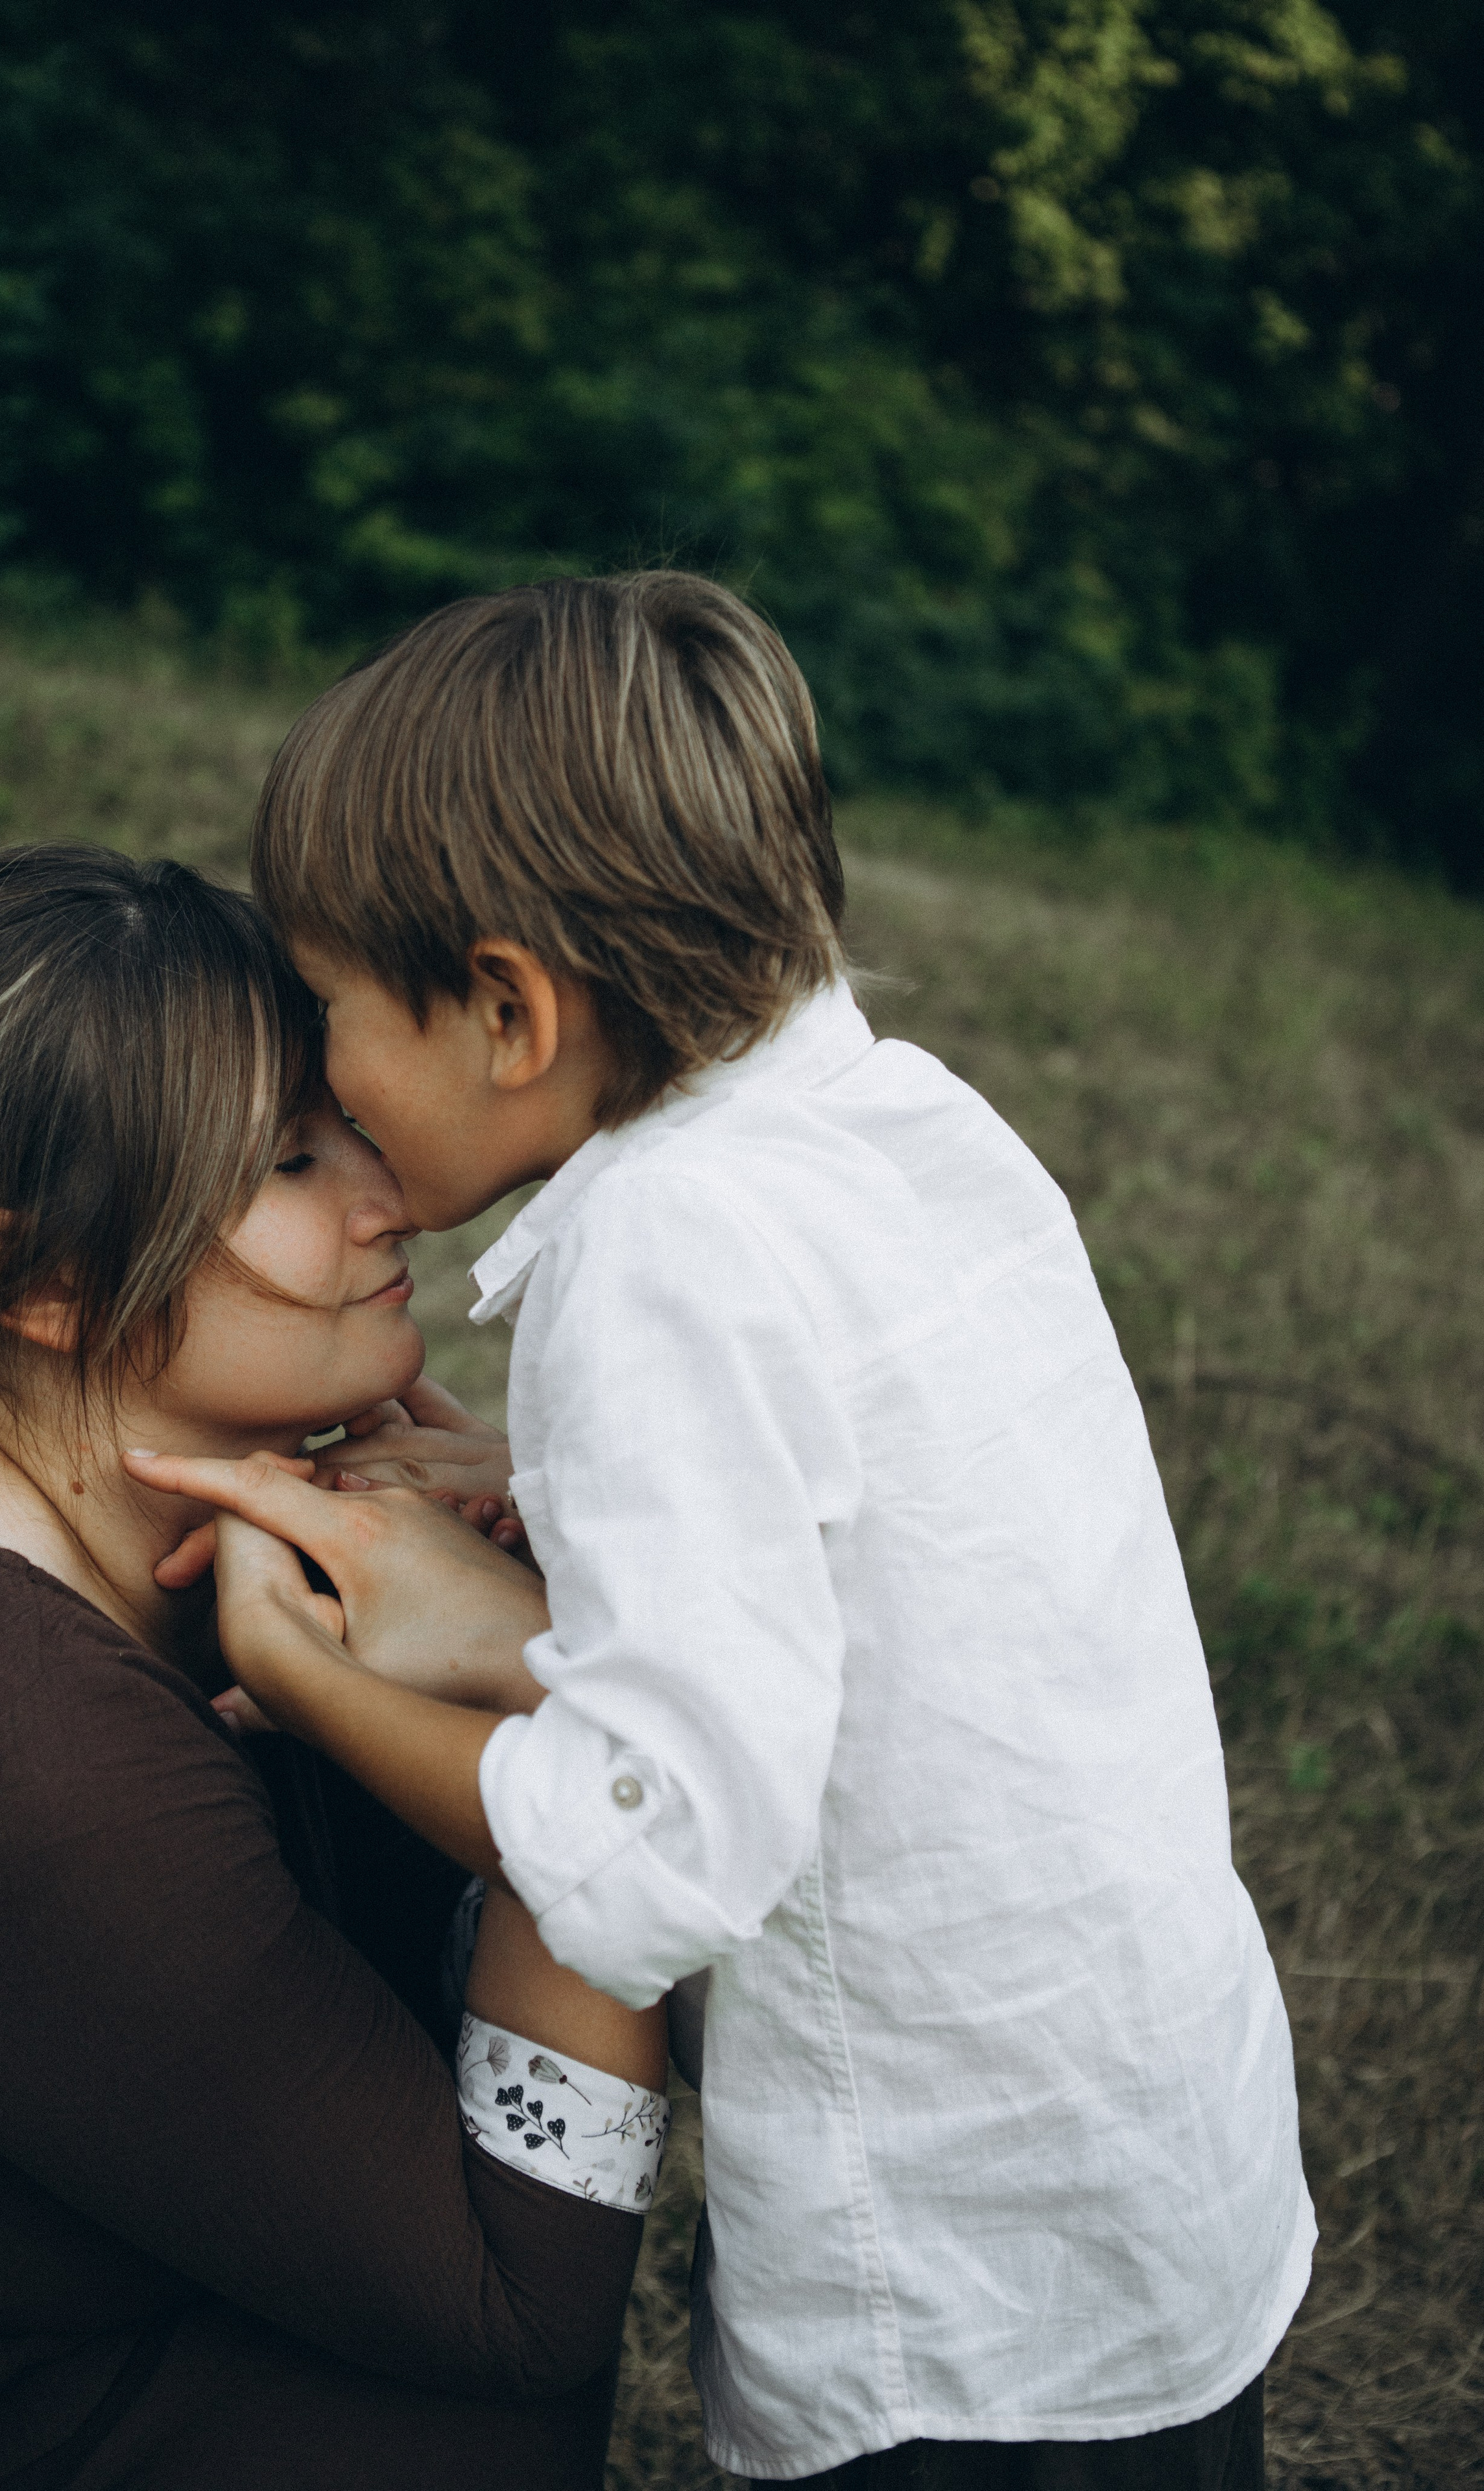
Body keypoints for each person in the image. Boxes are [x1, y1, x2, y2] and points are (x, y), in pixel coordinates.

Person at [134, 572, 1315, 2490]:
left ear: (509, 1010)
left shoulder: (655, 1251)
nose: (325, 1089)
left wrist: (294, 1670)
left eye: (331, 1014)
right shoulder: (906, 1120)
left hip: (954, 2289)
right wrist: (560, 1503)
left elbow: (661, 1855)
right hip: (1155, 2185)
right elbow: (892, 1556)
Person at [0, 846, 668, 2491]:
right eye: (288, 1160)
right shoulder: (1, 1744)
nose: (387, 1192)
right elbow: (522, 2309)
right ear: (35, 1281)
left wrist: (514, 1579)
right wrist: (570, 1699)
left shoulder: (231, 1533)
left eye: (341, 1114)